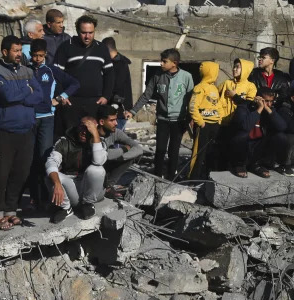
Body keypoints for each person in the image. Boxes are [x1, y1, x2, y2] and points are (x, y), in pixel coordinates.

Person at [0, 35, 44, 231]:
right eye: (15, 51)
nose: (19, 54)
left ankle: (11, 210)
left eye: (21, 51)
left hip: (26, 130)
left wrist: (25, 94)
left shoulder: (28, 71)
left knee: (21, 173)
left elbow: (39, 95)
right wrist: (26, 91)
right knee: (0, 175)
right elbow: (7, 96)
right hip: (4, 131)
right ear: (5, 52)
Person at [27, 39, 78, 207]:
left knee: (44, 157)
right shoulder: (24, 70)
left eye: (41, 56)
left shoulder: (51, 70)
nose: (38, 59)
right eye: (35, 56)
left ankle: (46, 196)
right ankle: (34, 196)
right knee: (29, 158)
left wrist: (59, 98)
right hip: (28, 118)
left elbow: (74, 84)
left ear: (46, 55)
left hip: (47, 118)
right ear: (30, 54)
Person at [128, 49, 193, 180]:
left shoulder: (186, 77)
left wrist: (190, 119)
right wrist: (133, 111)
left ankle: (171, 177)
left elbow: (192, 100)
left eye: (164, 61)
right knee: (160, 149)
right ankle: (157, 176)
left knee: (174, 151)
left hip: (179, 120)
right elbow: (146, 95)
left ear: (174, 63)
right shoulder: (158, 76)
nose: (161, 64)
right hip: (163, 119)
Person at [53, 15, 114, 135]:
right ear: (77, 31)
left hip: (95, 103)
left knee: (93, 137)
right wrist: (62, 96)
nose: (87, 36)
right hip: (71, 102)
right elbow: (56, 75)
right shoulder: (66, 47)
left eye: (91, 32)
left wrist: (106, 96)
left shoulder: (101, 48)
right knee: (72, 137)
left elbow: (109, 74)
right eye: (84, 32)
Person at [46, 116, 105, 222]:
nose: (84, 132)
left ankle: (88, 204)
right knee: (51, 175)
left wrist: (95, 135)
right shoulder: (64, 142)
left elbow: (99, 161)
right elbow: (51, 162)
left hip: (89, 188)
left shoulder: (99, 142)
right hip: (70, 187)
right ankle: (66, 208)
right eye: (82, 128)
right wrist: (57, 183)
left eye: (88, 129)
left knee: (97, 169)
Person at [228, 87, 292, 178]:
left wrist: (268, 110)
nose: (269, 104)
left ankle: (257, 165)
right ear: (257, 98)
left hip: (259, 146)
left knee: (281, 137)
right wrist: (259, 109)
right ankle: (239, 165)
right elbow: (245, 127)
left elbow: (282, 127)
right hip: (245, 145)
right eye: (266, 101)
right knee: (242, 136)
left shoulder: (269, 110)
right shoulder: (244, 107)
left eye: (271, 101)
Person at [188, 61, 224, 181]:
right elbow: (193, 107)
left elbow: (218, 105)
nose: (217, 75)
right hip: (203, 125)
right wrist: (200, 122)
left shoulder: (214, 88)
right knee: (199, 153)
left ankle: (208, 175)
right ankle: (193, 178)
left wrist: (219, 119)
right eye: (216, 72)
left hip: (215, 125)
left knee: (212, 152)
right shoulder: (199, 87)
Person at [96, 104, 144, 192]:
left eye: (116, 119)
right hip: (92, 169)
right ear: (102, 122)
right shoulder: (93, 134)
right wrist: (124, 149)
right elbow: (101, 155)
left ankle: (109, 186)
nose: (116, 123)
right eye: (112, 120)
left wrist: (120, 158)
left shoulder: (115, 132)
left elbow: (138, 149)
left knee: (130, 157)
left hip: (107, 164)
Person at [249, 47, 292, 116]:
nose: (260, 59)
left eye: (263, 57)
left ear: (272, 60)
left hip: (274, 112)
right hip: (256, 110)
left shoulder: (281, 77)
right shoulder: (253, 74)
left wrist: (273, 100)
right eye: (259, 57)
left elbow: (284, 97)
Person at [102, 37, 132, 128]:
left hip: (118, 110)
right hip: (112, 109)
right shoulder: (112, 62)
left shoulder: (121, 64)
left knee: (116, 139)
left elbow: (117, 86)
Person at [219, 58, 257, 126]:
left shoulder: (250, 86)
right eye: (234, 67)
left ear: (245, 70)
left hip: (239, 122)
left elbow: (249, 105)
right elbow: (214, 92)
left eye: (237, 67)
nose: (234, 69)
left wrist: (234, 96)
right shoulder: (227, 83)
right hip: (222, 121)